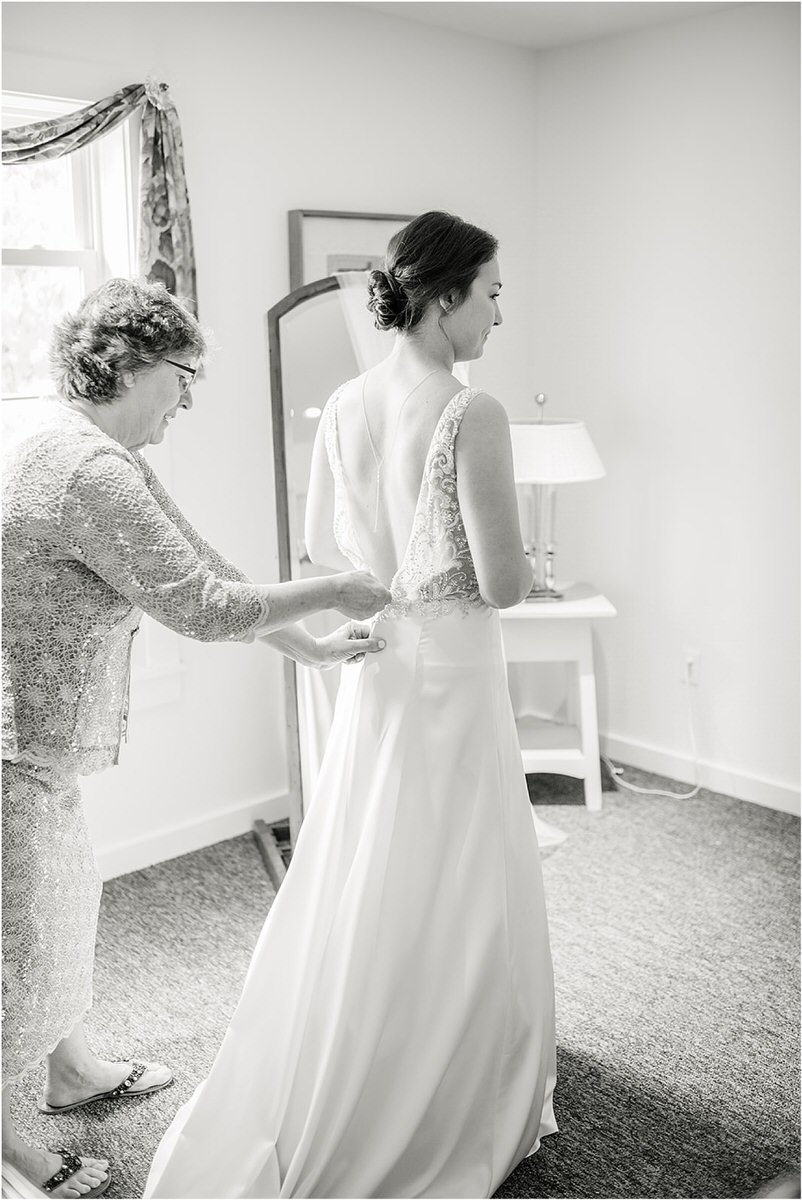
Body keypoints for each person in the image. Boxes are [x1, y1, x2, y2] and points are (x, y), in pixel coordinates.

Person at [145, 212, 557, 1199]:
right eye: (492, 291)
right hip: (453, 676)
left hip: (378, 668)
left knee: (374, 867)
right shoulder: (474, 411)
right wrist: (536, 567)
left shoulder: (343, 403)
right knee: (459, 876)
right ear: (445, 296)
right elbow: (499, 584)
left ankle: (363, 1053)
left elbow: (317, 558)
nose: (500, 312)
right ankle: (452, 1075)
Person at [1, 278, 390, 1200]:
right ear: (131, 365)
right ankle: (18, 1151)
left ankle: (72, 1069)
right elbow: (206, 609)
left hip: (39, 742)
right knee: (22, 948)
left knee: (58, 910)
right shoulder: (87, 473)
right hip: (12, 743)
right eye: (184, 378)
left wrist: (310, 649)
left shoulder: (98, 456)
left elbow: (205, 569)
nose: (186, 403)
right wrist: (337, 589)